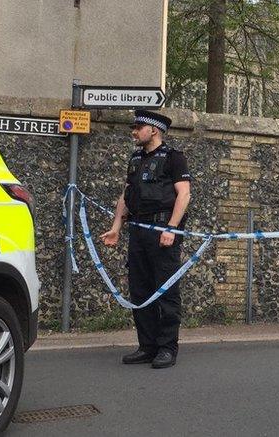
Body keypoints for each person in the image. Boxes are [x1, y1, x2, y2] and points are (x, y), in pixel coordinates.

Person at [99, 110, 192, 369]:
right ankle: (147, 346)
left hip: (162, 229)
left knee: (165, 291)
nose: (134, 131)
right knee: (140, 289)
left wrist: (171, 228)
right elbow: (126, 196)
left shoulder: (174, 158)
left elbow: (184, 196)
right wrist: (116, 227)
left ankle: (167, 348)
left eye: (138, 127)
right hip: (138, 231)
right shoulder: (135, 159)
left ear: (153, 130)